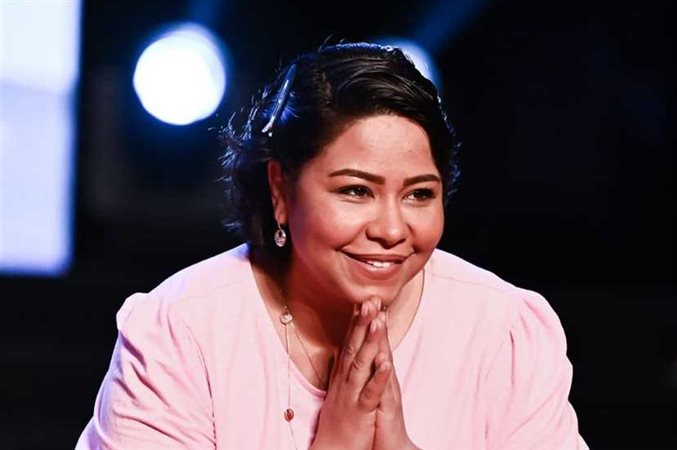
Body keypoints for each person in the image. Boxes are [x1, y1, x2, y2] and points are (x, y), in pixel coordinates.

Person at [77, 42, 588, 449]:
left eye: (418, 194)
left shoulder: (504, 331)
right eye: (356, 191)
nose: (392, 229)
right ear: (281, 190)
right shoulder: (183, 330)